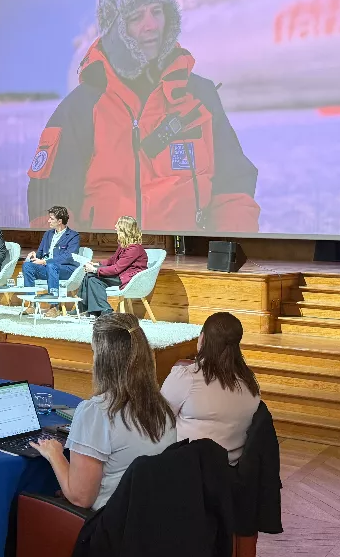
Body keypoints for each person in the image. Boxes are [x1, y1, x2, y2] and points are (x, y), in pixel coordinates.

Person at [25, 0, 259, 234]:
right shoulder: (80, 109)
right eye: (137, 17)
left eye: (157, 11)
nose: (152, 25)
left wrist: (224, 250)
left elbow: (233, 188)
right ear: (115, 30)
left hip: (186, 258)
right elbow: (50, 207)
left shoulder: (200, 97)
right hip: (108, 259)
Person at [32, 312, 178, 510]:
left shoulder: (97, 413)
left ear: (103, 362)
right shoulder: (163, 408)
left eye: (94, 353)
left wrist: (54, 453)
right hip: (153, 516)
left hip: (109, 522)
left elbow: (81, 499)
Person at [160, 311, 261, 465]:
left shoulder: (187, 377)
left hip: (187, 469)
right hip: (231, 470)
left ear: (202, 338)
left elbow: (159, 422)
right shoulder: (250, 382)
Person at [78, 216, 149, 318]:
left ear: (124, 229)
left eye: (118, 225)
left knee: (93, 278)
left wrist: (95, 270)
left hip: (128, 278)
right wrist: (97, 264)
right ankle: (85, 309)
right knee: (90, 276)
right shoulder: (124, 245)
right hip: (120, 274)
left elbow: (116, 269)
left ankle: (105, 310)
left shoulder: (134, 248)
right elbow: (112, 260)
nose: (115, 227)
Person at [22, 205, 81, 315]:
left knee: (51, 266)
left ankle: (54, 306)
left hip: (65, 270)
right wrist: (34, 255)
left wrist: (46, 261)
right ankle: (32, 304)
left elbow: (68, 256)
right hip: (48, 268)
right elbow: (40, 253)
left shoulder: (73, 236)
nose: (48, 221)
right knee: (27, 266)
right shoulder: (48, 234)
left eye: (51, 218)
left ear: (59, 221)